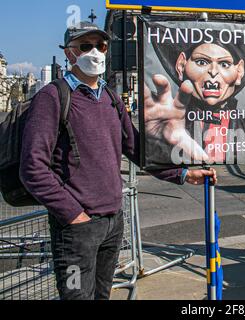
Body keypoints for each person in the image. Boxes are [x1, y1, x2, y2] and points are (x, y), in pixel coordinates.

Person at [19, 21, 217, 300]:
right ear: (69, 54)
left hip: (113, 223)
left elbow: (136, 148)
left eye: (100, 45)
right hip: (77, 231)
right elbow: (32, 167)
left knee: (103, 295)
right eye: (85, 46)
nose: (95, 52)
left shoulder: (111, 99)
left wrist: (183, 174)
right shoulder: (52, 97)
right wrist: (73, 215)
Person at [143, 25, 245, 166]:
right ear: (181, 66)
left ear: (239, 72)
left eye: (224, 64)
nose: (213, 72)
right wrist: (155, 139)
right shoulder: (168, 124)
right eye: (202, 62)